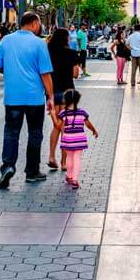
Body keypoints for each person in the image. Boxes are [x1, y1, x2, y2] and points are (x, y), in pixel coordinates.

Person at [0, 12, 55, 187]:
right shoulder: (39, 44)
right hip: (34, 98)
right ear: (34, 23)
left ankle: (8, 167)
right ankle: (32, 171)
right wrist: (51, 96)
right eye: (39, 24)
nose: (39, 27)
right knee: (35, 134)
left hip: (12, 97)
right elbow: (45, 74)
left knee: (11, 133)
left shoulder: (6, 41)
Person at [46, 27, 81, 172]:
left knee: (57, 126)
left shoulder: (47, 53)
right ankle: (63, 162)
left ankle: (51, 156)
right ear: (66, 39)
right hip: (68, 92)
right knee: (66, 127)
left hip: (53, 92)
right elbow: (75, 74)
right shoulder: (72, 54)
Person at [58, 89, 98, 188]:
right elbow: (88, 124)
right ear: (77, 100)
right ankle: (75, 180)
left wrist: (54, 115)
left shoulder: (63, 113)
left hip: (68, 139)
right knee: (77, 158)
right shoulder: (82, 112)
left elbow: (60, 126)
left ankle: (69, 176)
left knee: (69, 157)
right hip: (79, 139)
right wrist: (94, 130)